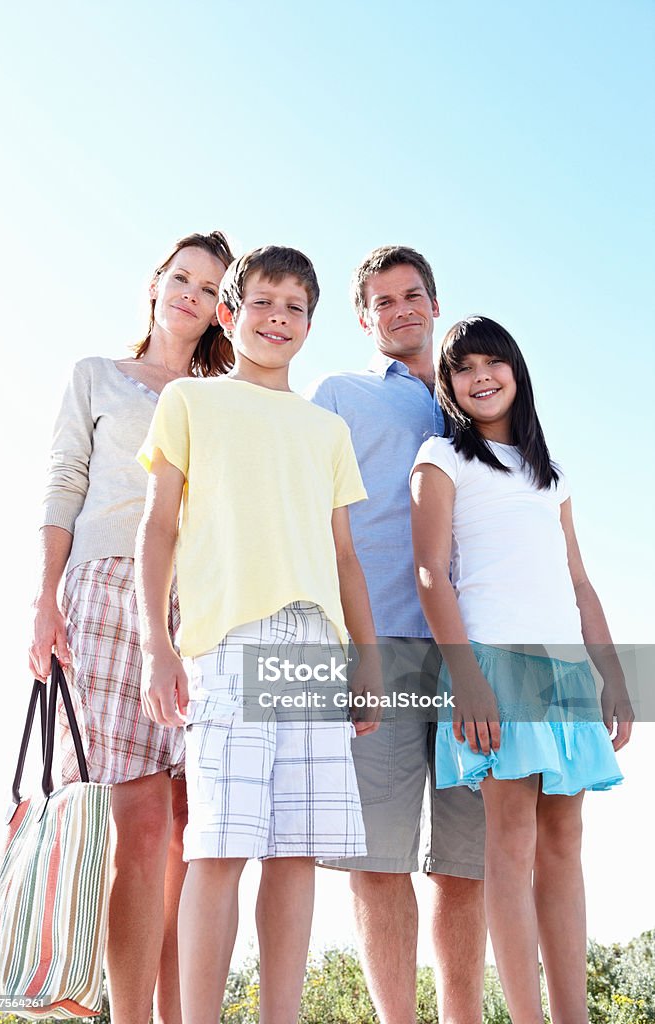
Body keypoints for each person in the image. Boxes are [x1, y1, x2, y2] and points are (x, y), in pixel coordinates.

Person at [135, 245, 382, 1024]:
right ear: (228, 313)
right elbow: (158, 529)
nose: (278, 318)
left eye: (295, 308)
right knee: (218, 845)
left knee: (297, 848)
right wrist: (157, 644)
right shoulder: (189, 402)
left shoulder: (324, 430)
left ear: (310, 323)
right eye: (263, 302)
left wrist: (365, 661)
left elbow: (345, 556)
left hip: (314, 646)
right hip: (228, 641)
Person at [28, 230, 235, 1024]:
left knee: (193, 828)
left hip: (202, 610)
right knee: (140, 820)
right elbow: (61, 485)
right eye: (180, 276)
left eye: (208, 286)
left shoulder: (221, 400)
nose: (190, 292)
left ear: (223, 309)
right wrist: (44, 598)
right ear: (156, 284)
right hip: (106, 594)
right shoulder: (98, 378)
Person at [410, 315, 632, 1022]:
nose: (481, 376)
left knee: (564, 843)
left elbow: (579, 583)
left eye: (492, 362)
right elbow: (428, 573)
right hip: (491, 666)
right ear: (448, 386)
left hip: (563, 671)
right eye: (464, 368)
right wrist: (465, 679)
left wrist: (614, 679)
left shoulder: (552, 475)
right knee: (510, 844)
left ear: (515, 370)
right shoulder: (440, 457)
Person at [307, 246, 487, 1024]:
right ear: (362, 318)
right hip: (374, 650)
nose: (400, 310)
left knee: (466, 862)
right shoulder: (339, 395)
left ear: (434, 303)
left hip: (473, 658)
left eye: (412, 295)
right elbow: (311, 521)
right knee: (376, 859)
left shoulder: (479, 399)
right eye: (382, 302)